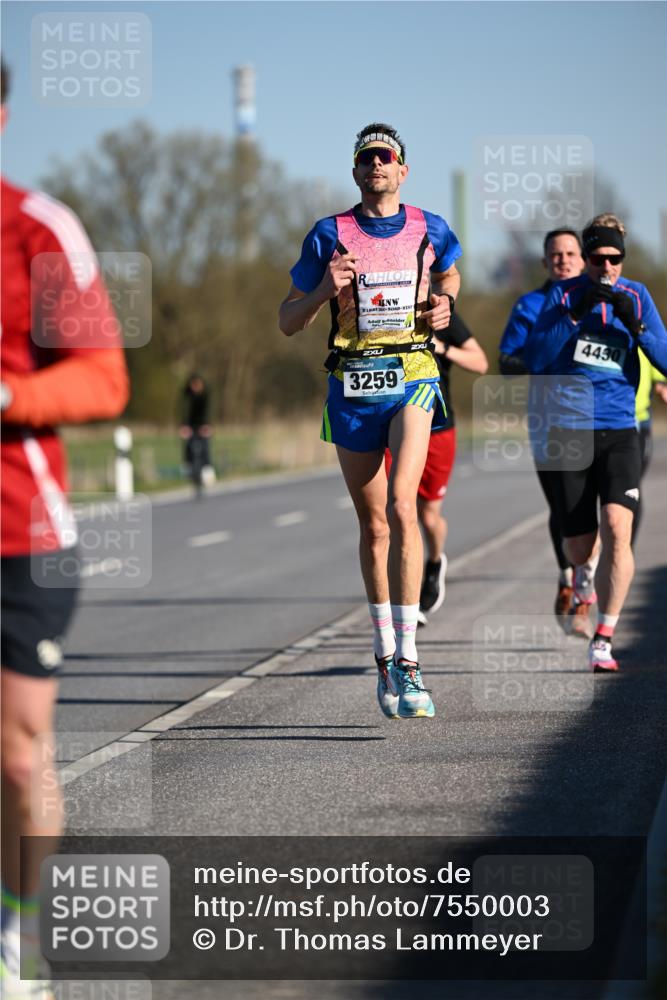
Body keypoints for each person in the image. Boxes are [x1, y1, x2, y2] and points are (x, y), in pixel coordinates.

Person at [1, 60, 129, 998]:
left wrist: (8, 393)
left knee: (15, 755)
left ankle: (18, 938)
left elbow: (103, 380)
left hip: (17, 536)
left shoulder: (38, 230)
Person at [279, 122, 461, 718]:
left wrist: (445, 300)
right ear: (355, 171)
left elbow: (450, 268)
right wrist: (323, 289)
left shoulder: (430, 226)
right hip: (352, 382)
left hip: (412, 373)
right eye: (366, 158)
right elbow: (287, 320)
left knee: (405, 507)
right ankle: (385, 654)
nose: (376, 164)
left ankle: (410, 663)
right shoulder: (328, 233)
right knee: (376, 526)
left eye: (386, 157)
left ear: (403, 170)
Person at [524, 213, 667, 672]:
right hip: (569, 431)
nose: (607, 267)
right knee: (580, 546)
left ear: (622, 259)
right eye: (598, 259)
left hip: (621, 428)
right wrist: (573, 315)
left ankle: (603, 637)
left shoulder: (637, 296)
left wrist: (638, 327)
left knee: (618, 529)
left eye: (615, 259)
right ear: (585, 259)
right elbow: (536, 357)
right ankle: (582, 577)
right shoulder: (562, 296)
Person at [499, 229, 601, 635]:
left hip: (602, 420)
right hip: (548, 423)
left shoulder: (599, 298)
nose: (563, 260)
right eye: (555, 254)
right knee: (564, 510)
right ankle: (569, 576)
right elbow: (507, 362)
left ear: (583, 258)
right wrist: (544, 359)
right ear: (545, 262)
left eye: (570, 253)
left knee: (603, 512)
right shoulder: (531, 305)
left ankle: (584, 592)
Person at [386, 312, 488, 624]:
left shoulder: (439, 311)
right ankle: (408, 600)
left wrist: (440, 348)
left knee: (427, 515)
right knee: (399, 511)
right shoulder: (378, 308)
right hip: (390, 425)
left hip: (438, 429)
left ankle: (433, 562)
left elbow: (481, 363)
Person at [632, 350, 667, 545]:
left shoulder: (643, 328)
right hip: (600, 422)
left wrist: (662, 387)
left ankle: (625, 549)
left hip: (639, 421)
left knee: (631, 488)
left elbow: (659, 375)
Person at [179, 373, 214, 486]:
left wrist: (207, 425)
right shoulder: (186, 395)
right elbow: (183, 410)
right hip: (190, 424)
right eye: (193, 385)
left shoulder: (207, 395)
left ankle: (207, 470)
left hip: (204, 423)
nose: (195, 387)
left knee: (205, 445)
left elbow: (209, 410)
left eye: (197, 385)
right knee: (187, 444)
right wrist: (183, 425)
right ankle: (188, 466)